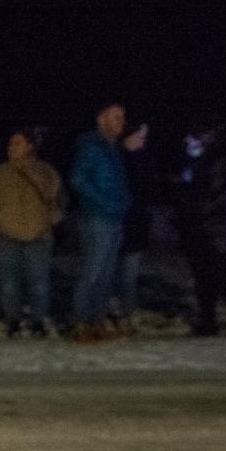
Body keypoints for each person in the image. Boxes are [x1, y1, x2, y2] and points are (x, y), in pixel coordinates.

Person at [0, 128, 63, 337]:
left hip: (38, 236)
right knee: (9, 283)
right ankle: (12, 320)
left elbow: (58, 201)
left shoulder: (46, 172)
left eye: (18, 143)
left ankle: (38, 321)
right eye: (11, 143)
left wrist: (49, 222)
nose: (12, 147)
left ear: (30, 146)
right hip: (6, 237)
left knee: (39, 282)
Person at [176, 122, 226, 337]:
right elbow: (191, 182)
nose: (192, 141)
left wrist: (213, 204)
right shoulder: (195, 156)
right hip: (196, 224)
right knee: (202, 276)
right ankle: (208, 321)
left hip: (219, 226)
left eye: (197, 136)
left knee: (225, 275)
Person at [66, 99, 132, 342]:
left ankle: (96, 320)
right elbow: (77, 180)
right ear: (101, 119)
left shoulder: (112, 147)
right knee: (91, 272)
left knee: (106, 274)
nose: (121, 123)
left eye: (123, 118)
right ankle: (80, 322)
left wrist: (123, 203)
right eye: (116, 117)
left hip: (114, 217)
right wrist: (104, 203)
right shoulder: (91, 146)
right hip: (96, 218)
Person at [115, 122, 157, 336]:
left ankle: (128, 314)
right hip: (114, 224)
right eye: (137, 136)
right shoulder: (115, 158)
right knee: (106, 274)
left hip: (135, 226)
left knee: (129, 275)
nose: (141, 141)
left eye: (143, 138)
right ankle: (102, 314)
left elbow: (149, 189)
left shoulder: (145, 160)